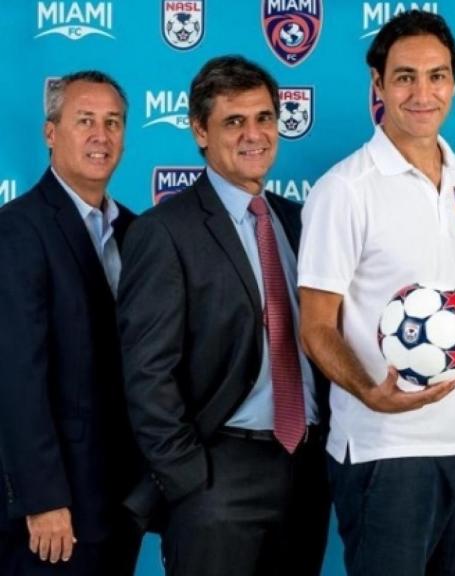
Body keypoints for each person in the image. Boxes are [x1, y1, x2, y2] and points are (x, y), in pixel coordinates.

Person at [297, 10, 455, 576]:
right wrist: (368, 391)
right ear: (378, 84)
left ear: (454, 83)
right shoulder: (345, 190)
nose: (422, 92)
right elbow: (315, 324)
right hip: (387, 452)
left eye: (436, 76)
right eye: (405, 76)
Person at [117, 55, 329, 576]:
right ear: (200, 132)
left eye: (263, 118)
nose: (253, 134)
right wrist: (188, 476)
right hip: (218, 472)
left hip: (305, 470)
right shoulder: (164, 230)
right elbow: (147, 372)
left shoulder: (300, 222)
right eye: (234, 121)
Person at [0, 70, 142, 576]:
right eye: (85, 121)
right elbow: (17, 378)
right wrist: (41, 500)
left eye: (113, 122)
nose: (101, 136)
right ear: (50, 133)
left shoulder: (136, 232)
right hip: (55, 513)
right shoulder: (18, 230)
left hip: (123, 503)